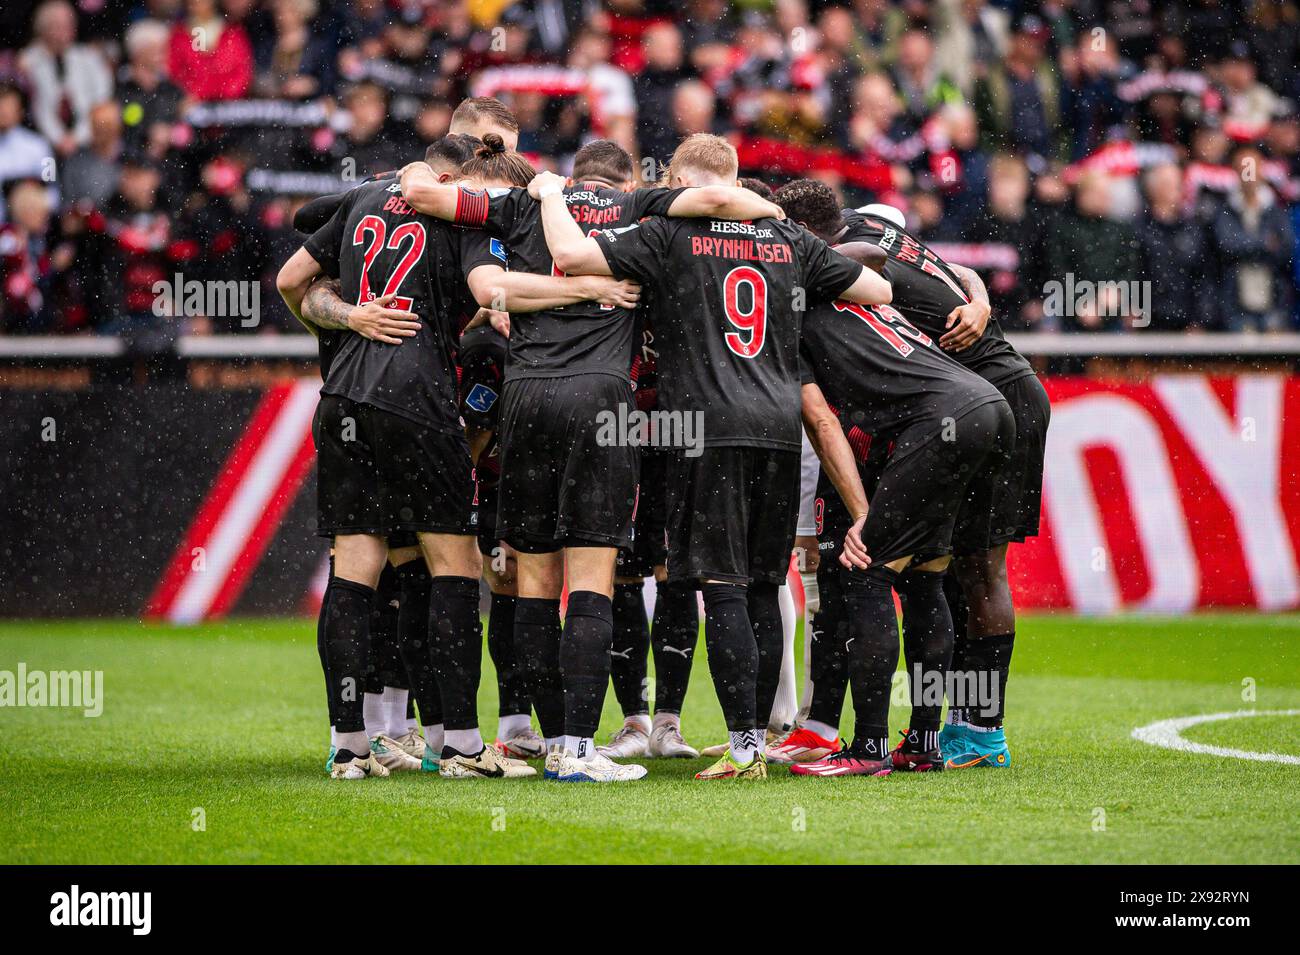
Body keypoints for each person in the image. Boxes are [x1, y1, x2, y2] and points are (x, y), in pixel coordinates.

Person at [398, 137, 785, 782]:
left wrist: (531, 192)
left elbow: (420, 192)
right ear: (624, 179)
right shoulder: (642, 207)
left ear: (573, 177)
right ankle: (581, 747)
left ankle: (546, 742)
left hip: (524, 398)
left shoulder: (519, 205)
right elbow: (719, 196)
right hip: (600, 403)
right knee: (593, 580)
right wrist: (774, 220)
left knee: (533, 582)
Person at [276, 136, 639, 780]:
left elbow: (292, 282)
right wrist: (586, 289)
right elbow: (493, 291)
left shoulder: (366, 195)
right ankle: (463, 746)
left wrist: (350, 317)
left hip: (341, 400)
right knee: (457, 566)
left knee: (355, 570)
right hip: (417, 395)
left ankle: (350, 744)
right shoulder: (463, 217)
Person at [532, 134, 892, 781]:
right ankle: (755, 738)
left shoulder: (669, 236)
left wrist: (550, 193)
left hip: (706, 427)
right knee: (762, 581)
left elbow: (568, 255)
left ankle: (746, 745)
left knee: (721, 585)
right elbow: (875, 288)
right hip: (780, 431)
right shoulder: (788, 239)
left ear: (679, 181)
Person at [782, 189, 1014, 778]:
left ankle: (869, 748)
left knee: (866, 573)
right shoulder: (863, 282)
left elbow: (825, 423)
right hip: (988, 403)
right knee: (928, 577)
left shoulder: (790, 309)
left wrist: (861, 516)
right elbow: (875, 254)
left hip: (944, 420)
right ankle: (927, 741)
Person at [830, 195, 1048, 769]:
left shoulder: (848, 246)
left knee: (977, 569)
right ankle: (950, 729)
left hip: (992, 399)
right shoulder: (886, 235)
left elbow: (866, 257)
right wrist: (978, 299)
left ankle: (981, 731)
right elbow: (964, 271)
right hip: (991, 397)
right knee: (944, 567)